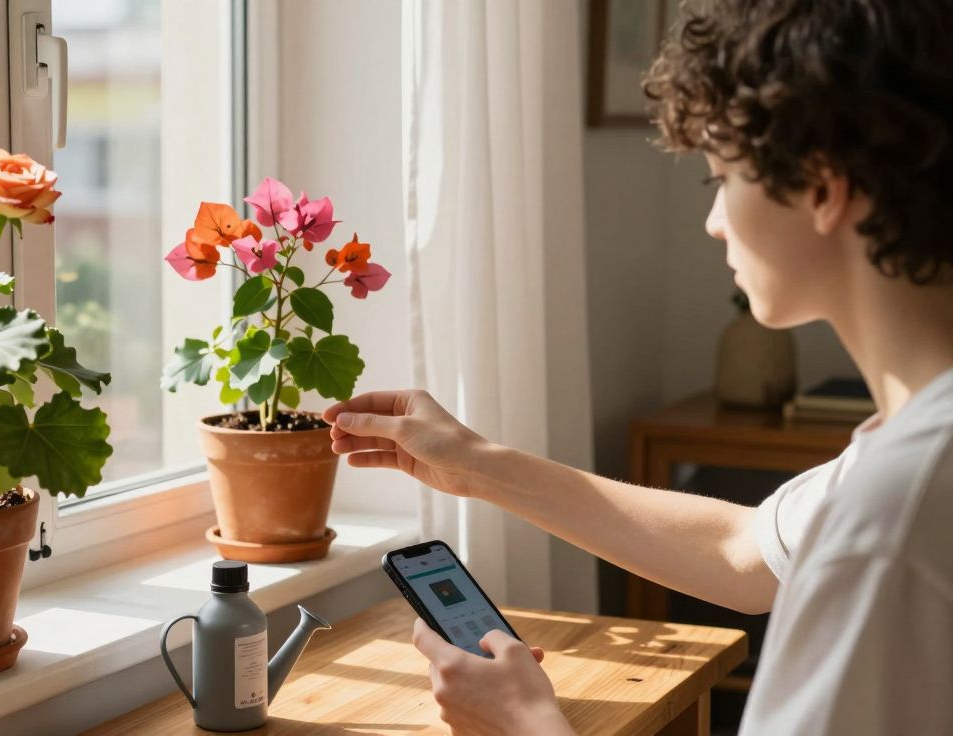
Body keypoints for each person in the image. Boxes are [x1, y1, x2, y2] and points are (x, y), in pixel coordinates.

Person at [325, 0, 953, 733]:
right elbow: (743, 552)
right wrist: (471, 464)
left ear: (820, 184)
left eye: (720, 177)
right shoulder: (910, 452)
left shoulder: (898, 514)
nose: (715, 219)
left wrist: (525, 723)